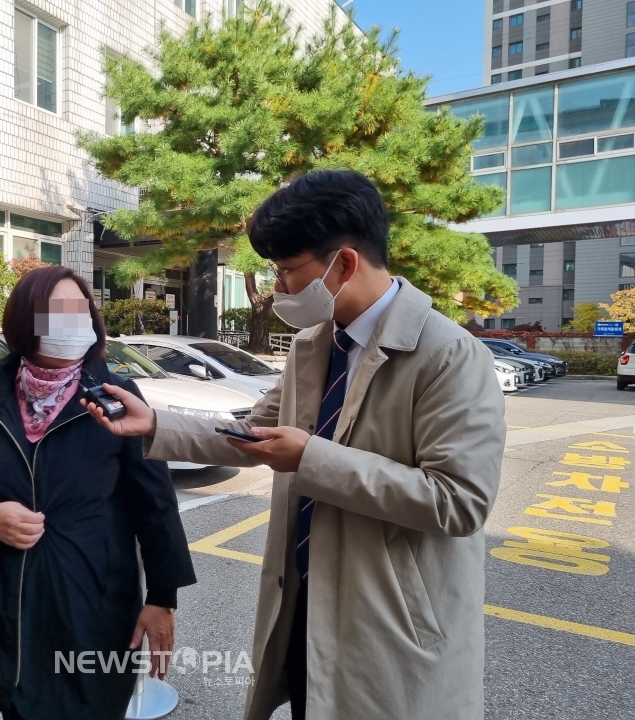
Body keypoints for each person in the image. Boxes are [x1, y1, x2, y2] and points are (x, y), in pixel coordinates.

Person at [84, 170, 506, 720]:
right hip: (305, 599)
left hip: (390, 616)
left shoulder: (448, 355)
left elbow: (460, 502)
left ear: (345, 263)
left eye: (287, 271)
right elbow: (252, 435)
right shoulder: (314, 345)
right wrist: (156, 425)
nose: (279, 288)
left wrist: (311, 458)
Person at [0, 266, 196, 720]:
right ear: (25, 322)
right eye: (56, 311)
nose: (73, 320)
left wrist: (162, 598)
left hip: (92, 608)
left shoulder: (116, 396)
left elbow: (156, 505)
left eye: (80, 309)